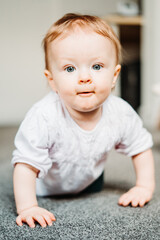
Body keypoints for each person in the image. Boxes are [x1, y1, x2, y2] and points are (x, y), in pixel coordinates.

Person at [12, 13, 155, 228]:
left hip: (90, 178)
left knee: (91, 169)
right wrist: (28, 207)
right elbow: (24, 164)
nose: (84, 77)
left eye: (97, 66)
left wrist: (144, 186)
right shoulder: (44, 116)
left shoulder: (120, 113)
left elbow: (141, 147)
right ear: (52, 80)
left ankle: (89, 179)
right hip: (46, 186)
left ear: (115, 75)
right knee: (28, 170)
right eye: (70, 69)